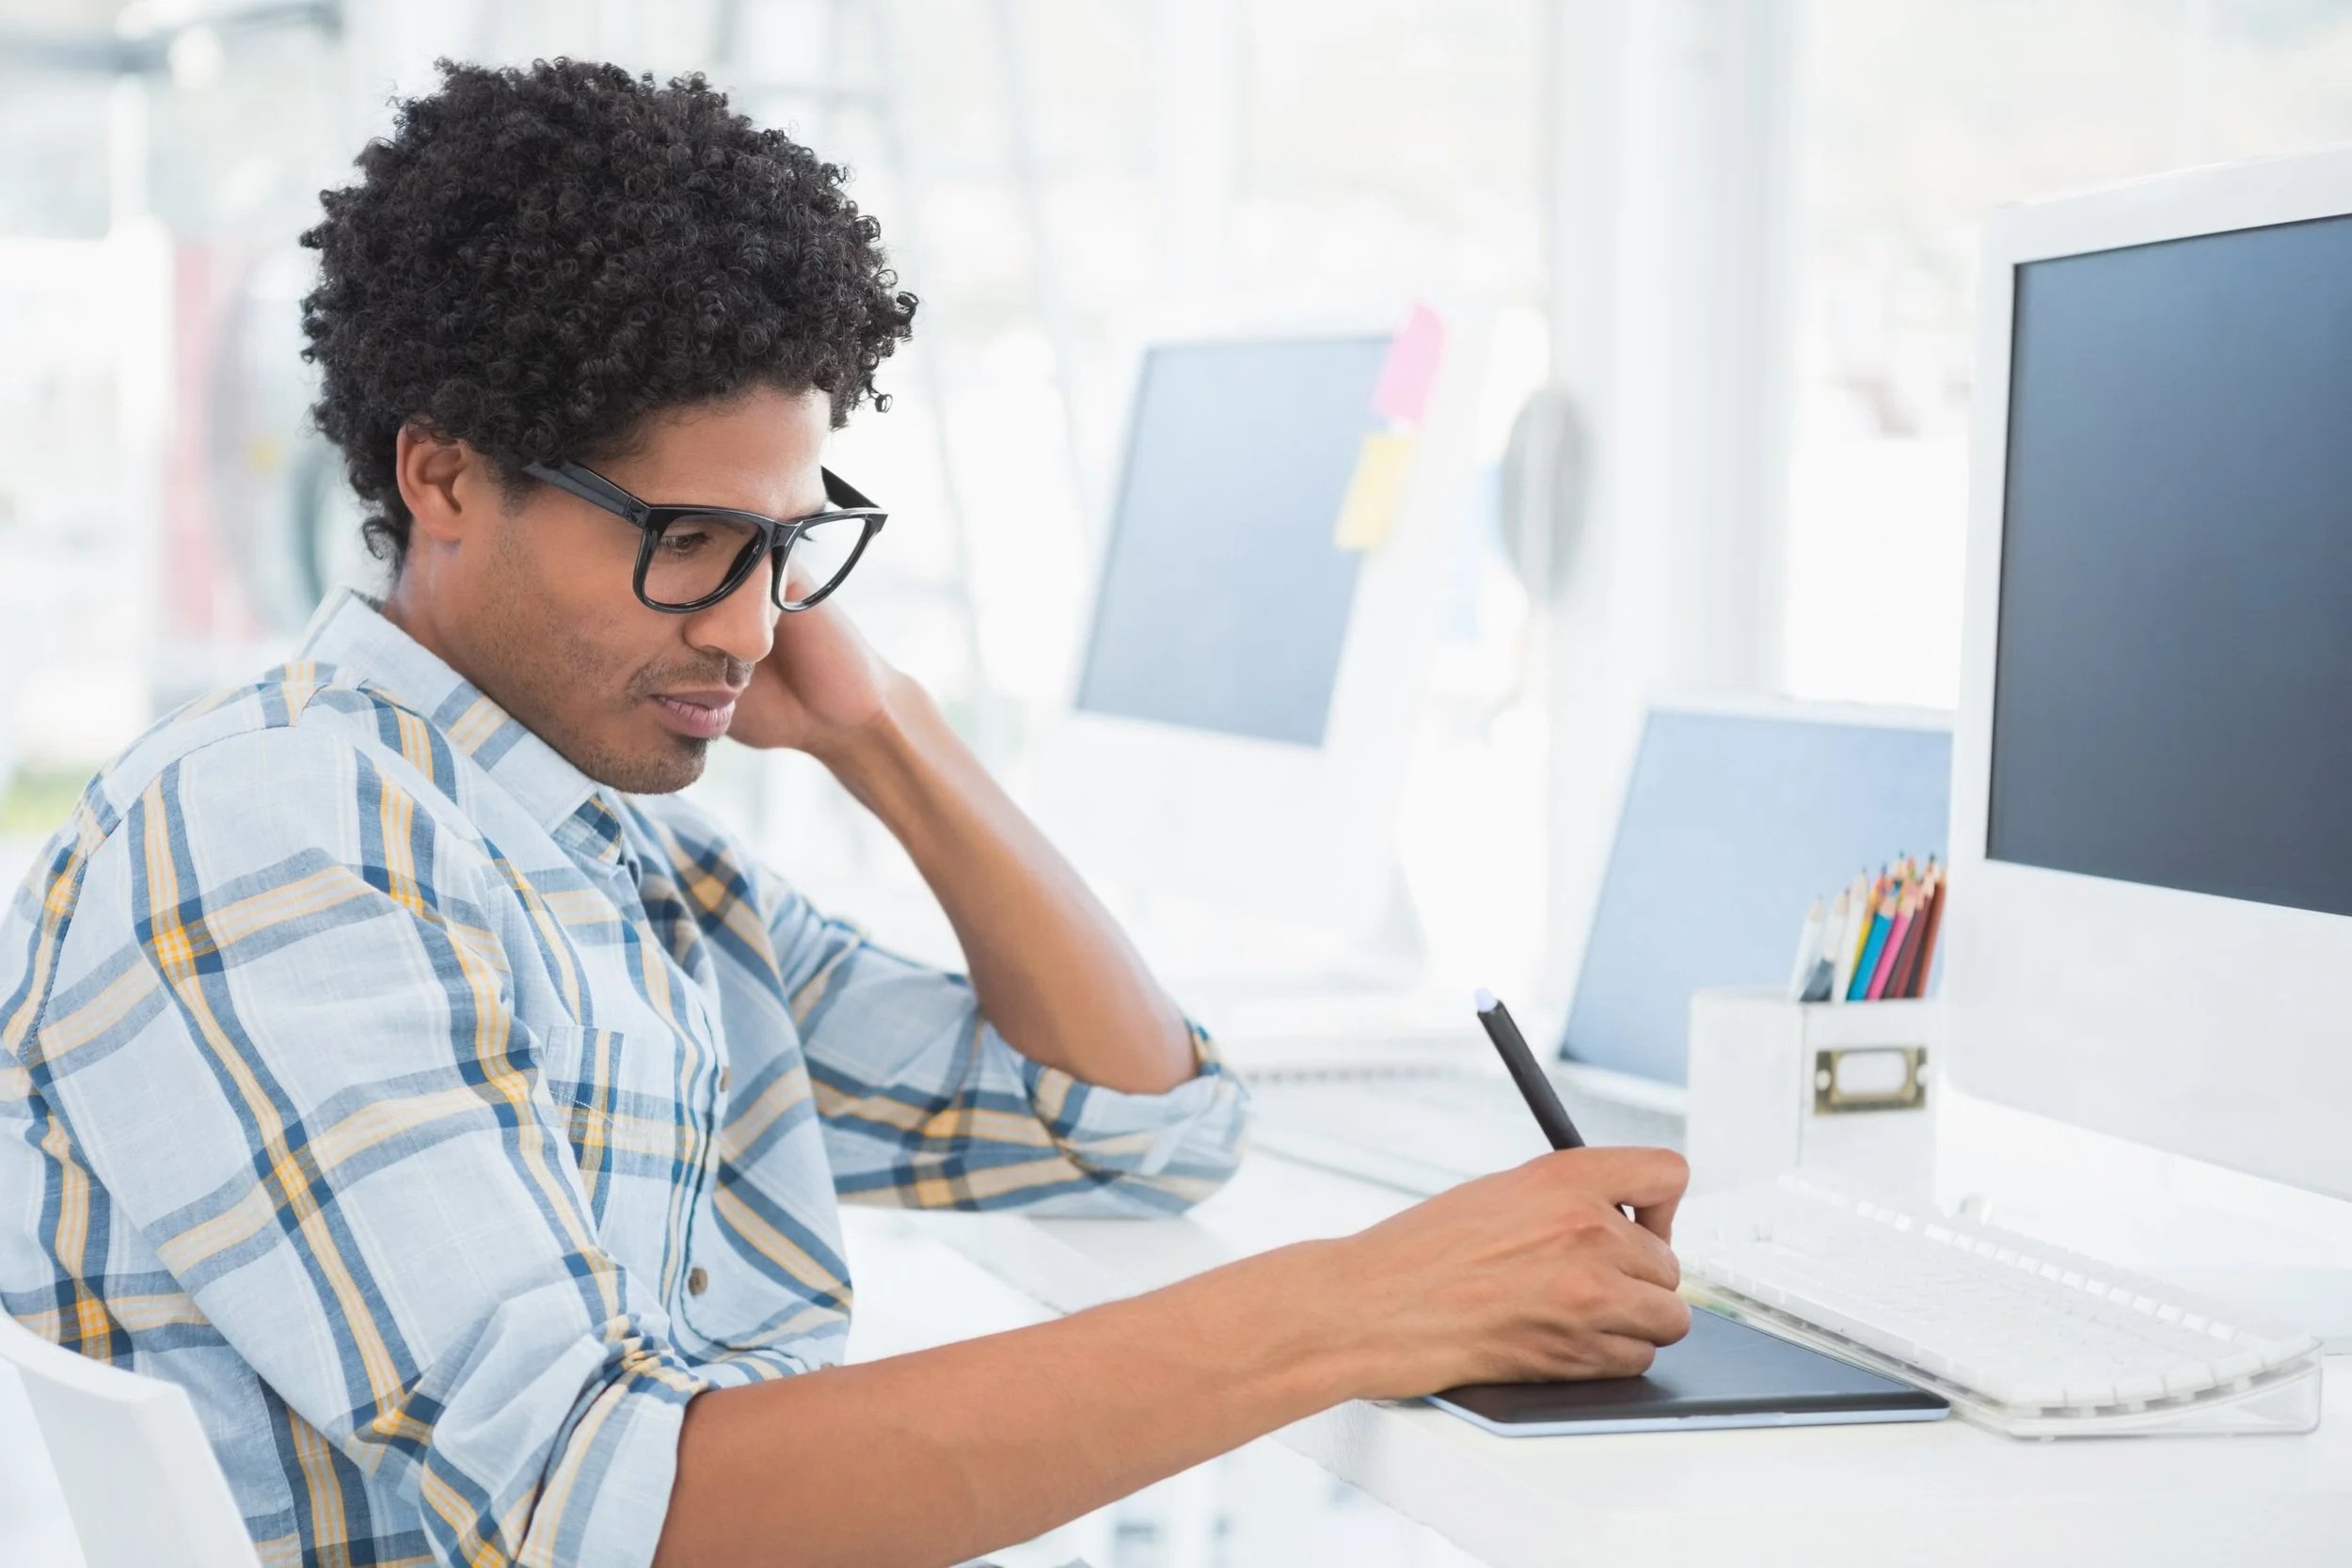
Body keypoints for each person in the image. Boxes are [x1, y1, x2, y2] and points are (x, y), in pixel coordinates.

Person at [0, 58, 1689, 1568]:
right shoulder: (287, 839)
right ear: (441, 478)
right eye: (690, 541)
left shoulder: (599, 847)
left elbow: (1134, 1126)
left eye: (788, 547)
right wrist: (1354, 1308)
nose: (748, 623)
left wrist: (890, 739)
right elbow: (622, 1510)